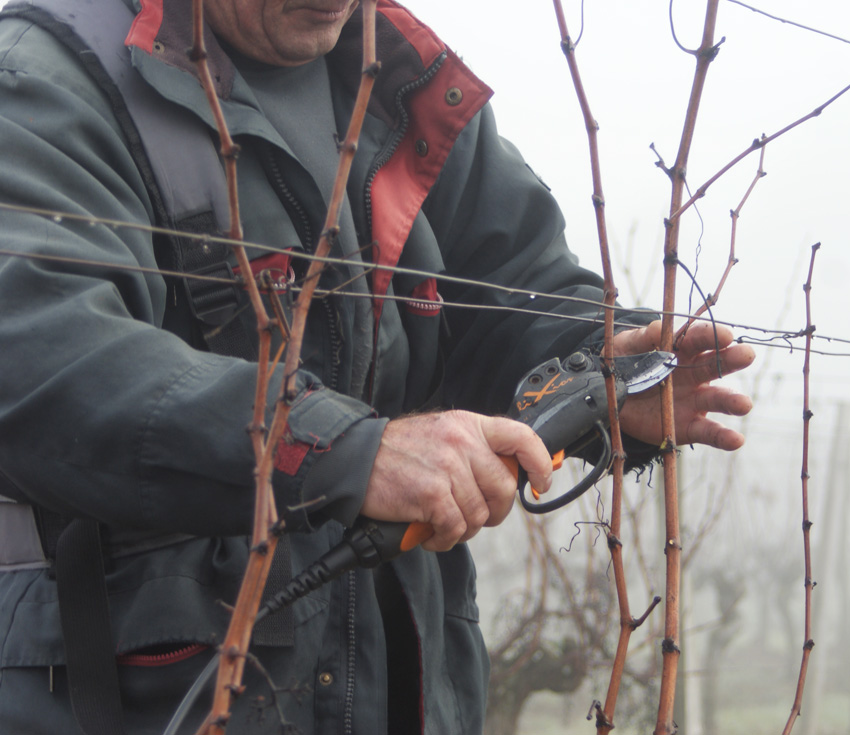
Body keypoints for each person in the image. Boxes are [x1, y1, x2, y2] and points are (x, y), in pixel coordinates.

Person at [0, 0, 754, 733]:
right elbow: (42, 357)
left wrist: (599, 370)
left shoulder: (400, 76)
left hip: (404, 682)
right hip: (142, 691)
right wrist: (348, 451)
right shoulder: (46, 77)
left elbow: (517, 285)